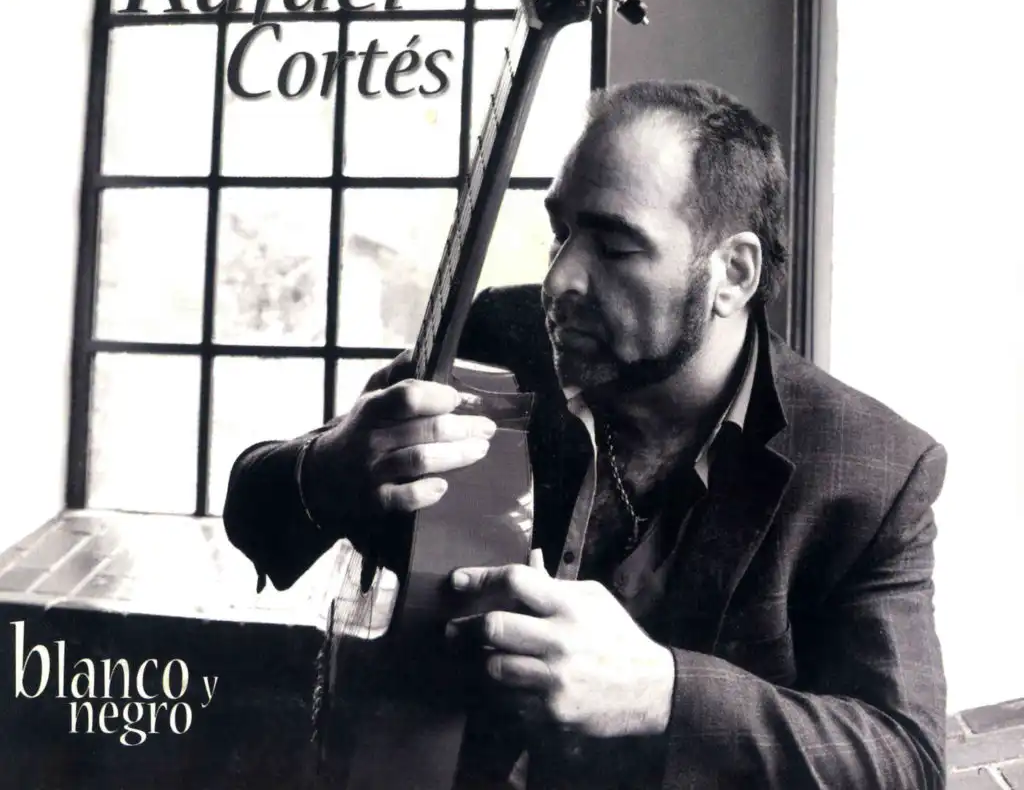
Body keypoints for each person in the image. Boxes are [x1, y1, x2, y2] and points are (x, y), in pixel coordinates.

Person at [223, 79, 947, 789]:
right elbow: (255, 514)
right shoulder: (494, 338)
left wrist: (664, 694)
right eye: (561, 232)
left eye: (615, 246)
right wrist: (328, 467)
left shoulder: (873, 470)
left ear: (733, 273)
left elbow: (906, 760)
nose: (559, 279)